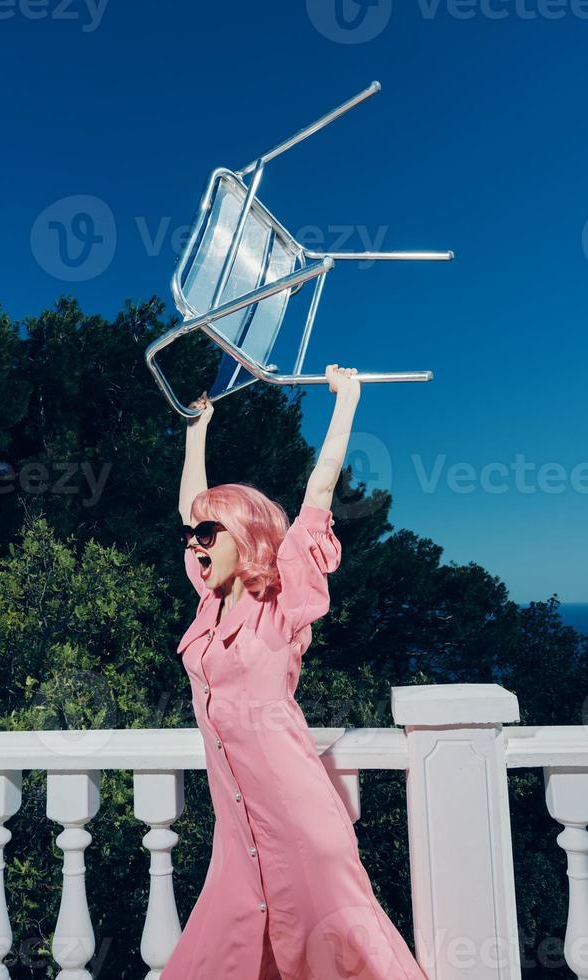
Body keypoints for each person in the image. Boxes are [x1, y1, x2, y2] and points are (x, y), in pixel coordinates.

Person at [162, 365, 427, 980]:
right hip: (240, 829)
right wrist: (196, 432)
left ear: (246, 538)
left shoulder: (278, 603)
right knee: (238, 951)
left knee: (337, 950)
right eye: (191, 536)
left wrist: (347, 403)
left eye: (209, 533)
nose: (195, 543)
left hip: (299, 818)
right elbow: (188, 508)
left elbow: (318, 497)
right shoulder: (208, 602)